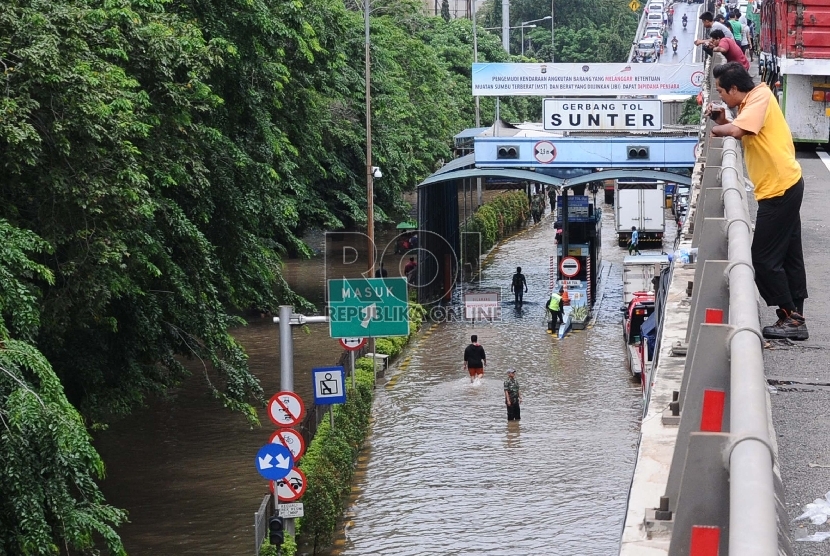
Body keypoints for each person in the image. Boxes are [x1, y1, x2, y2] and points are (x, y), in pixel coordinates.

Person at [709, 62, 808, 340]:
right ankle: (794, 316)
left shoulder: (760, 97)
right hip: (784, 183)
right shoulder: (753, 99)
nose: (721, 97)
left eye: (721, 91)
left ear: (735, 89)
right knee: (789, 255)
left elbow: (739, 132)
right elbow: (742, 128)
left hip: (778, 189)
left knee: (762, 258)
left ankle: (792, 316)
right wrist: (723, 122)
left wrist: (716, 131)